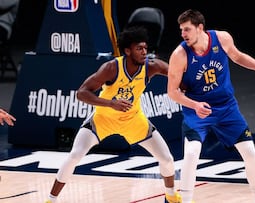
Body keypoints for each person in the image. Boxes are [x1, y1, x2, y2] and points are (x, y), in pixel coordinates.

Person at [45, 26, 181, 203]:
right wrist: (110, 103)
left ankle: (171, 197)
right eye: (139, 49)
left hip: (133, 120)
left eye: (145, 48)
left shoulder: (150, 66)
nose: (144, 52)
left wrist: (188, 85)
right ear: (127, 51)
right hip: (103, 119)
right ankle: (51, 200)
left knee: (167, 158)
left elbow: (176, 74)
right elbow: (81, 93)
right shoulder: (111, 68)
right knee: (75, 156)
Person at [167, 9, 255, 203]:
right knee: (191, 153)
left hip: (226, 108)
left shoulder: (221, 39)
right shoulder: (179, 55)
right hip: (197, 110)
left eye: (187, 29)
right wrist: (195, 105)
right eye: (181, 30)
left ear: (200, 28)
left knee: (250, 152)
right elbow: (172, 92)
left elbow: (238, 56)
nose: (183, 34)